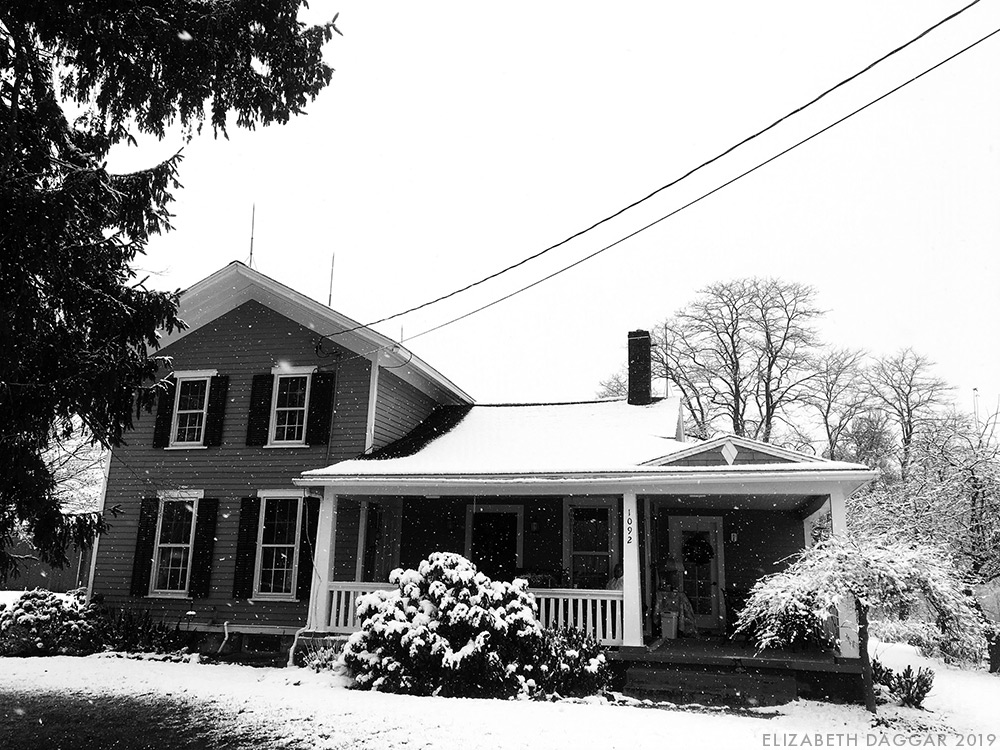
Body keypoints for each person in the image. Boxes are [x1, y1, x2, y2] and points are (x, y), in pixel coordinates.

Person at [652, 560, 696, 640]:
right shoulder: (662, 591)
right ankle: (671, 630)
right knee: (669, 615)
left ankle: (676, 630)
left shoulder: (676, 593)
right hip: (669, 605)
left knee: (672, 615)